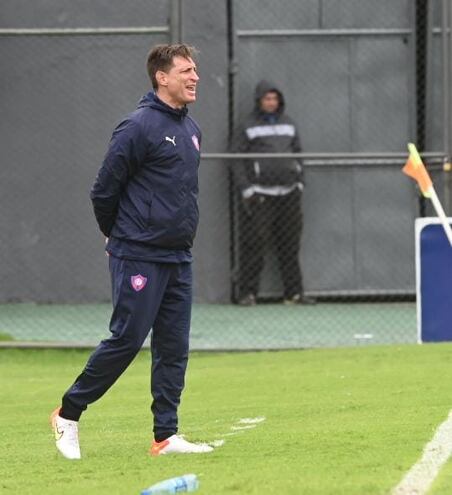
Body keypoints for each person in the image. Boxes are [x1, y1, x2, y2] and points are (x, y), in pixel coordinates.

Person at [50, 43, 213, 459]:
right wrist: (115, 236)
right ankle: (68, 413)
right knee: (126, 339)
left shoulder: (192, 130)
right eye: (186, 71)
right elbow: (103, 190)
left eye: (195, 70)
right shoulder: (137, 126)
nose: (195, 77)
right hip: (138, 253)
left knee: (174, 347)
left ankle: (165, 437)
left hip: (178, 256)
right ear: (162, 76)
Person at [231, 80, 315, 306]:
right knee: (254, 244)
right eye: (267, 99)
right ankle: (247, 294)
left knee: (290, 244)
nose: (271, 102)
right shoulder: (246, 126)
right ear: (259, 101)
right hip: (260, 195)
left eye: (274, 99)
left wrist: (299, 182)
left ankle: (293, 293)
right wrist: (247, 189)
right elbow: (236, 160)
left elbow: (298, 153)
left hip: (289, 194)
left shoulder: (289, 124)